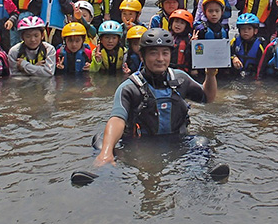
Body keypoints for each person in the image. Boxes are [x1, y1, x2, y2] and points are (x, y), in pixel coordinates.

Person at [93, 28, 218, 167]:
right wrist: (106, 151)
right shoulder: (129, 87)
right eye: (153, 53)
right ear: (142, 56)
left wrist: (210, 75)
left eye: (165, 53)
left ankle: (197, 174)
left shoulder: (180, 79)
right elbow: (117, 119)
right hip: (140, 144)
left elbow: (207, 98)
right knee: (100, 141)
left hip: (176, 140)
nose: (160, 59)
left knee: (202, 143)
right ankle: (105, 170)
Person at [230, 13, 266, 78]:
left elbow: (263, 64)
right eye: (243, 29)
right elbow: (227, 54)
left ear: (255, 31)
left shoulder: (260, 45)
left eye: (249, 29)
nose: (246, 31)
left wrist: (259, 77)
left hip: (252, 74)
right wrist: (234, 58)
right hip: (236, 73)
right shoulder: (235, 41)